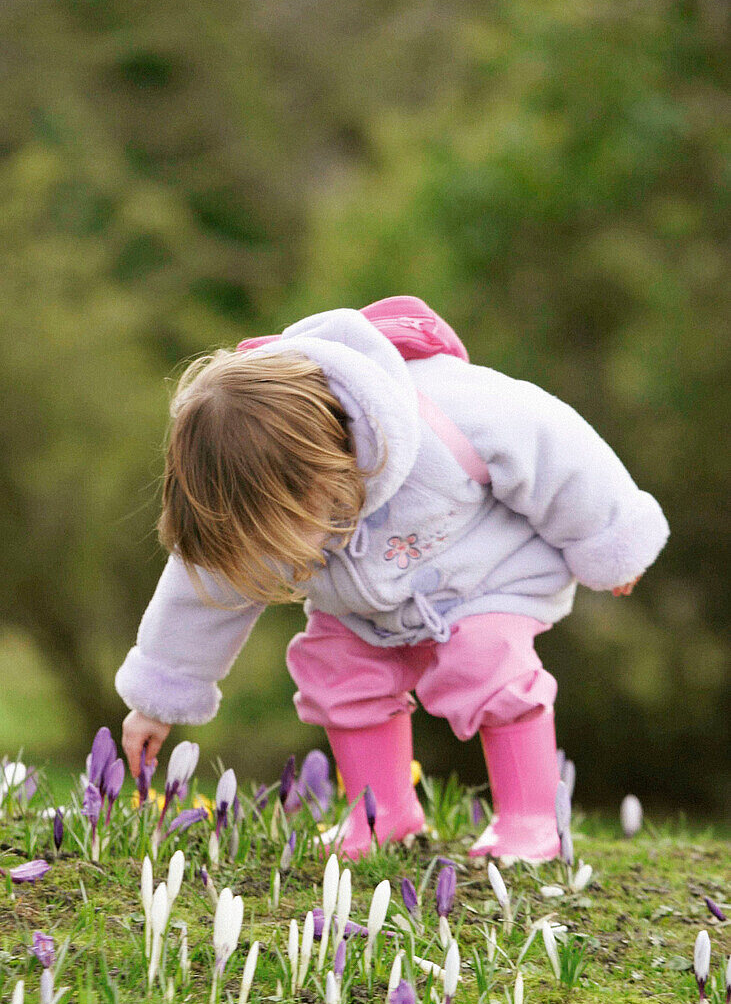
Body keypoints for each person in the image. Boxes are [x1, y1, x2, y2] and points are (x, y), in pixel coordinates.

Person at [117, 297, 669, 861]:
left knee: (483, 660)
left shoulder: (444, 408)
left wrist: (611, 543)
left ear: (322, 476)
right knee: (336, 671)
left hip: (490, 578)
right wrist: (159, 698)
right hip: (368, 609)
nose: (280, 563)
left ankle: (530, 822)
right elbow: (204, 592)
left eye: (286, 541)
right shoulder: (247, 488)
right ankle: (383, 815)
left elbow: (557, 448)